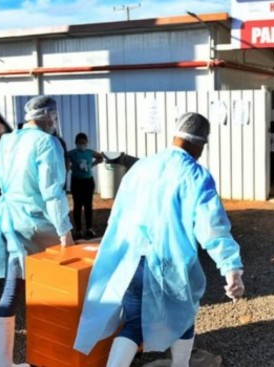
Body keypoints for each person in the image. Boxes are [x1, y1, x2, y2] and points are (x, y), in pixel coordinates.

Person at [73, 112, 245, 367]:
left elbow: (119, 212)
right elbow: (212, 227)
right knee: (182, 317)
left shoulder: (143, 166)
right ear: (200, 143)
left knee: (134, 323)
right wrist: (231, 268)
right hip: (170, 263)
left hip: (131, 260)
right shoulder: (196, 175)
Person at [0, 95, 74, 367]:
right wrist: (65, 231)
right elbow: (52, 192)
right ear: (48, 116)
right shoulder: (47, 143)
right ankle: (58, 349)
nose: (55, 122)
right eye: (54, 117)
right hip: (37, 224)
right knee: (57, 286)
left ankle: (1, 362)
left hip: (10, 219)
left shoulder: (8, 140)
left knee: (12, 290)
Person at [68, 132, 103, 239]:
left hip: (88, 181)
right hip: (77, 181)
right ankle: (78, 230)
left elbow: (100, 157)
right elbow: (64, 157)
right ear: (76, 143)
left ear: (87, 143)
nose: (82, 145)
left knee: (88, 205)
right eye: (80, 143)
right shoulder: (73, 153)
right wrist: (70, 166)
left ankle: (89, 228)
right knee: (77, 206)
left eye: (84, 143)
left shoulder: (89, 152)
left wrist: (92, 165)